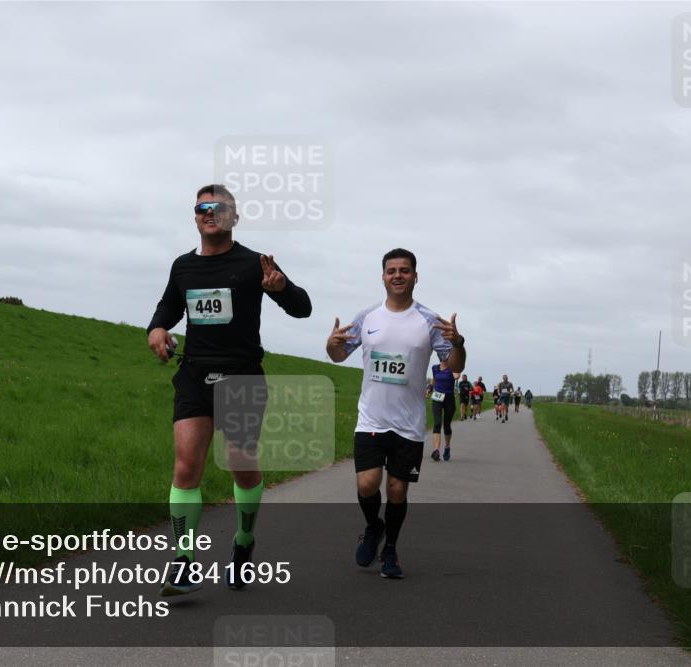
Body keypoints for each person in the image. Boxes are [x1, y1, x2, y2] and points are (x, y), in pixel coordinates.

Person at [147, 184, 312, 595]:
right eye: (203, 207)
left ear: (234, 218)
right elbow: (169, 306)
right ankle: (184, 560)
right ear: (196, 215)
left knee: (241, 465)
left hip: (241, 376)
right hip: (194, 376)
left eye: (220, 207)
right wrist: (157, 328)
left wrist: (281, 289)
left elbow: (302, 306)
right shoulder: (183, 267)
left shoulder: (255, 263)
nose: (211, 212)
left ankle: (243, 541)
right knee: (186, 467)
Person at [326, 248, 465, 579]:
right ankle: (374, 526)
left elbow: (456, 365)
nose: (398, 275)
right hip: (371, 419)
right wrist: (331, 343)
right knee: (367, 484)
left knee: (398, 491)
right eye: (392, 270)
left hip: (408, 424)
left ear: (416, 277)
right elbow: (337, 355)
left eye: (405, 270)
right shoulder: (368, 318)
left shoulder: (431, 322)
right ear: (383, 276)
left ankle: (390, 550)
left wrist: (458, 343)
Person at [427, 362, 458, 461]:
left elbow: (456, 376)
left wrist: (453, 365)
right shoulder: (435, 367)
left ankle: (447, 447)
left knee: (446, 425)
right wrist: (430, 388)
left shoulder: (453, 367)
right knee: (437, 423)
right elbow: (434, 379)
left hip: (449, 399)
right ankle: (436, 450)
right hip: (437, 398)